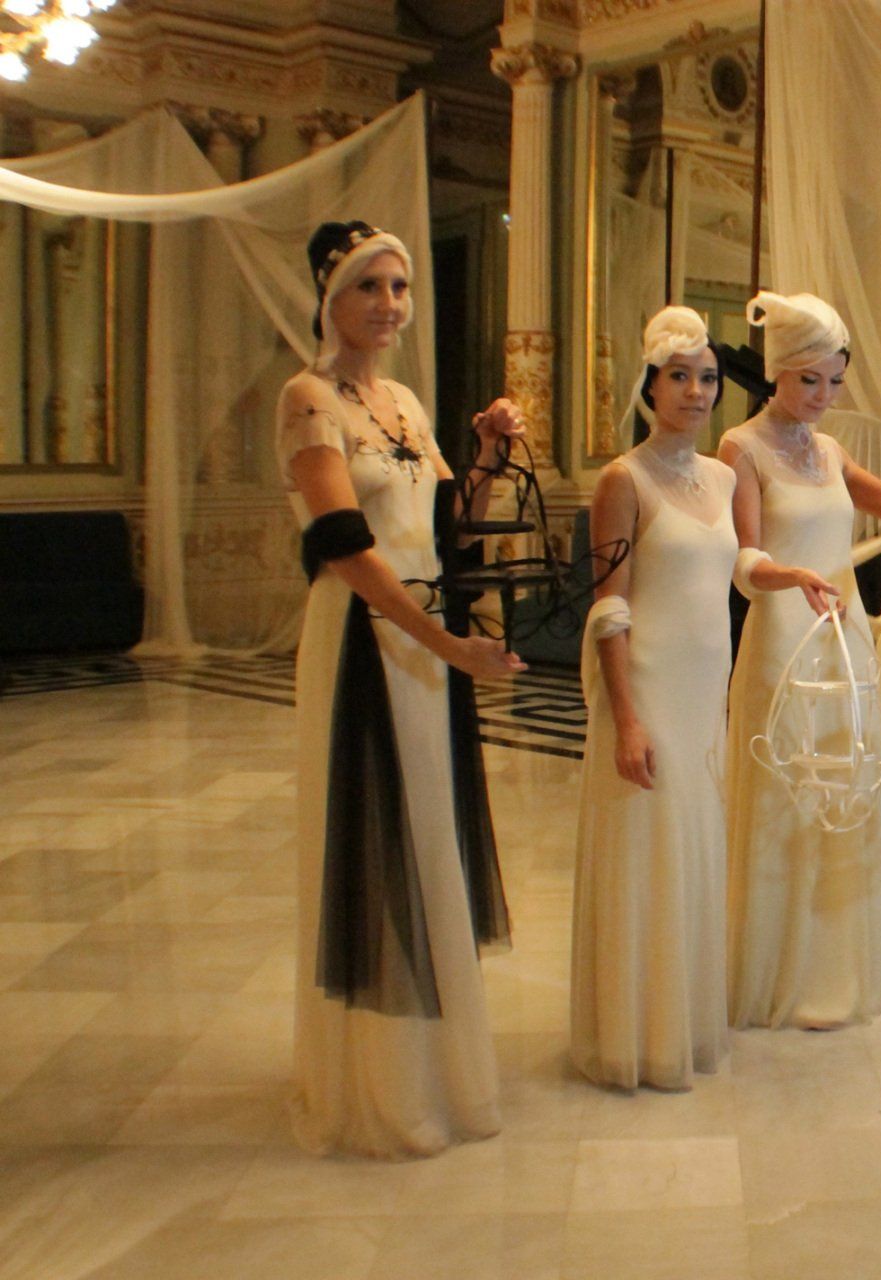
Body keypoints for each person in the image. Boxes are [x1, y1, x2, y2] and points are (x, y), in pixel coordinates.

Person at [278, 220, 524, 1157]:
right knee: (379, 829)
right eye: (368, 285)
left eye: (399, 286)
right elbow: (345, 546)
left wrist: (487, 453)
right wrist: (445, 644)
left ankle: (436, 1065)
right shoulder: (308, 399)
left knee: (429, 833)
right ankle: (378, 1082)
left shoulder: (406, 403)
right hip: (363, 638)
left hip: (422, 635)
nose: (389, 304)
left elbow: (449, 525)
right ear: (329, 297)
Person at [570, 307, 836, 1089]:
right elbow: (609, 608)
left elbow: (741, 566)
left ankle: (681, 1025)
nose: (695, 391)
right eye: (679, 377)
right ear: (650, 386)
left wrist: (791, 572)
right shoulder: (623, 479)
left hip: (701, 697)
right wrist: (625, 718)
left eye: (708, 378)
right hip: (647, 691)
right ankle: (632, 1039)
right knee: (646, 855)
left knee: (691, 856)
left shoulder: (720, 477)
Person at [720, 290, 881, 1030]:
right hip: (782, 634)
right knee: (786, 793)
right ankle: (777, 972)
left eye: (834, 381)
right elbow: (744, 561)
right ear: (777, 371)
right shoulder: (740, 447)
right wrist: (792, 576)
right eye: (810, 380)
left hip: (843, 637)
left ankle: (838, 969)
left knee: (844, 787)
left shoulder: (830, 451)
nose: (823, 396)